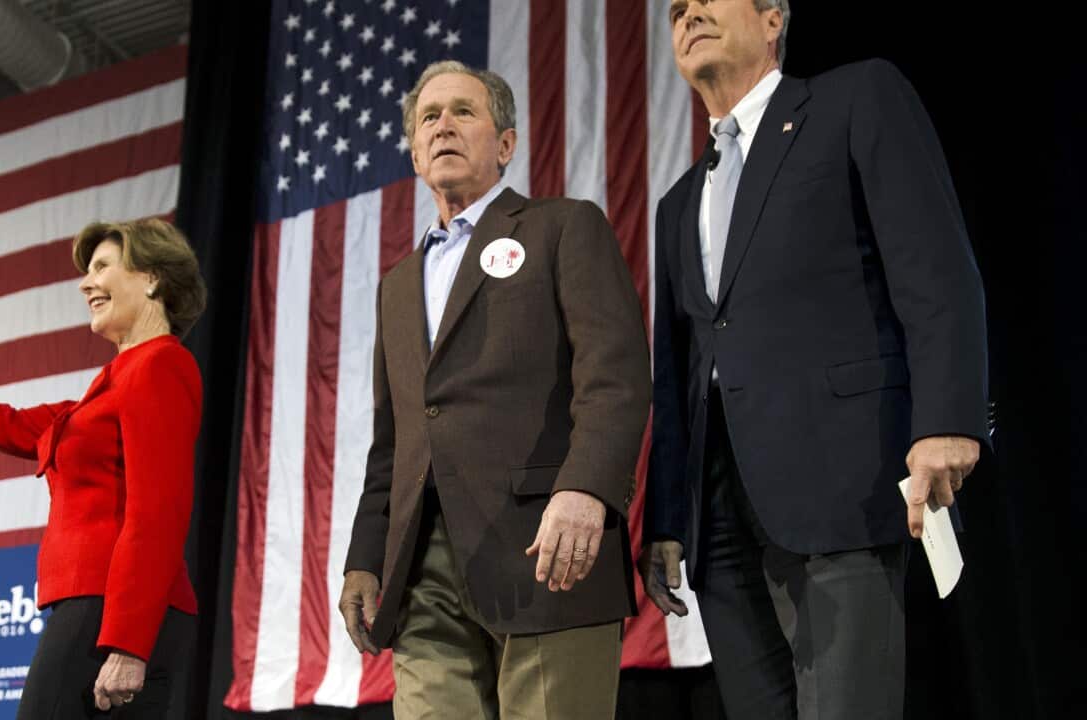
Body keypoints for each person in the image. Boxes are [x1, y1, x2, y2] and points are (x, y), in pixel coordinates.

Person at [639, 1, 990, 718]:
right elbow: (675, 377)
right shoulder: (678, 204)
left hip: (841, 481)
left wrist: (947, 419)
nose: (689, 12)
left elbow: (935, 268)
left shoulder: (854, 98)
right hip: (719, 516)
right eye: (677, 9)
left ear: (774, 20)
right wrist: (669, 519)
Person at [338, 61, 651, 718]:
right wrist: (365, 558)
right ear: (416, 153)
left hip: (546, 547)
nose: (443, 125)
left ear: (504, 145)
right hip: (424, 568)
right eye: (429, 117)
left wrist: (587, 489)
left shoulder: (563, 226)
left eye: (463, 112)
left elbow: (615, 375)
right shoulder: (398, 286)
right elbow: (394, 438)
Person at [0, 218, 206, 717]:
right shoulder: (108, 387)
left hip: (114, 609)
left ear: (152, 278)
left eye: (102, 266)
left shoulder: (159, 366)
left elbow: (159, 511)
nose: (86, 282)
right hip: (97, 609)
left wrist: (128, 642)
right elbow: (4, 425)